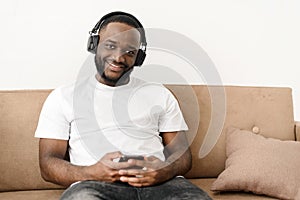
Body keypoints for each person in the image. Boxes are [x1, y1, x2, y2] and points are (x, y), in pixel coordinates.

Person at [35, 11, 211, 200]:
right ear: (94, 45)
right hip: (94, 186)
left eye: (130, 52)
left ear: (139, 58)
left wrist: (163, 170)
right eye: (110, 46)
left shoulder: (160, 94)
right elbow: (48, 164)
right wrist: (92, 172)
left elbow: (182, 155)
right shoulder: (63, 97)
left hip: (162, 185)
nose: (119, 58)